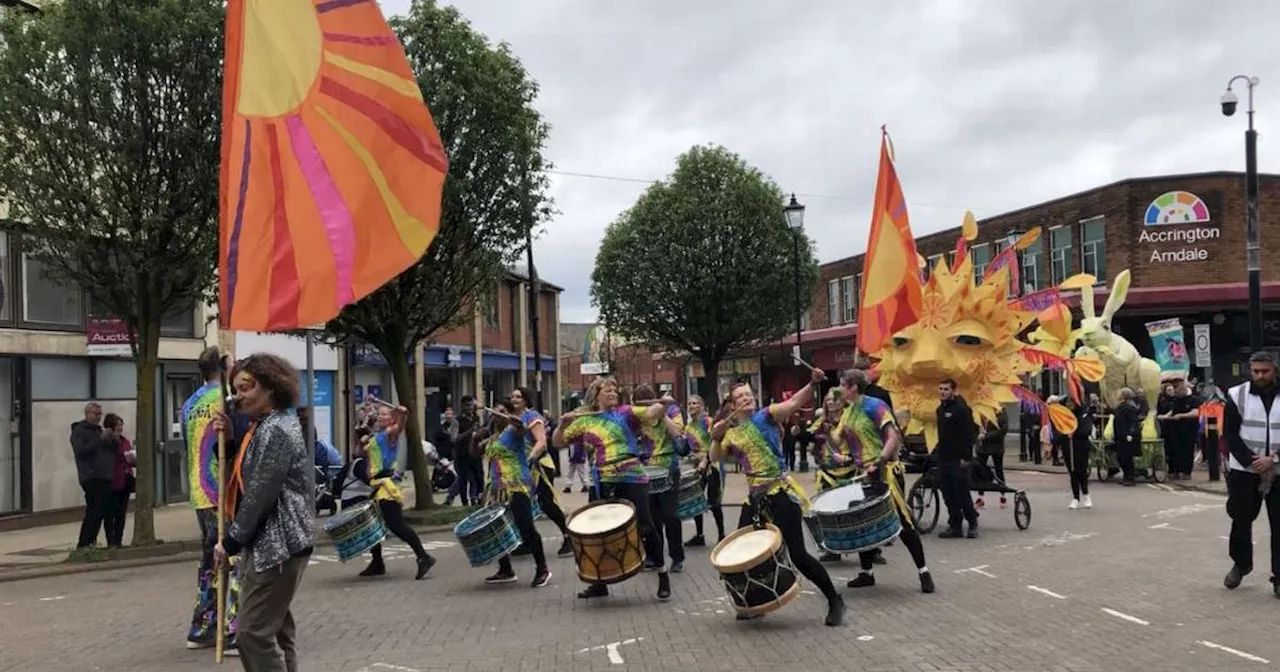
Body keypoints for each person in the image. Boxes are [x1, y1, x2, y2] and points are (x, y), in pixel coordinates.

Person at [712, 367, 845, 627]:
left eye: (749, 394)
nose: (747, 398)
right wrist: (716, 439)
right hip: (754, 499)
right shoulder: (730, 432)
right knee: (742, 554)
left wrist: (811, 383)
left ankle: (834, 600)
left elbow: (794, 403)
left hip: (780, 492)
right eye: (741, 396)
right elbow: (714, 458)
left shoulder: (767, 416)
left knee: (798, 554)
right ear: (732, 403)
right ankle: (755, 603)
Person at [212, 353, 315, 672]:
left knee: (253, 634)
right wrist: (228, 443)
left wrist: (230, 541)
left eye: (246, 387)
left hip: (278, 547)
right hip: (273, 544)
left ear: (271, 387)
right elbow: (247, 477)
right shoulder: (265, 426)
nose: (238, 395)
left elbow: (259, 495)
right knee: (277, 630)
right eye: (236, 388)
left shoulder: (277, 430)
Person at [552, 376, 674, 601]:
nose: (613, 393)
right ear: (595, 394)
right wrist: (562, 424)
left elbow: (649, 413)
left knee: (646, 526)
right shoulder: (585, 419)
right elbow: (558, 442)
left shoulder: (626, 412)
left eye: (615, 389)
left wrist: (664, 403)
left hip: (631, 476)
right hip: (602, 478)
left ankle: (662, 573)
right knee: (595, 532)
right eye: (608, 390)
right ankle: (599, 584)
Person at [832, 369, 935, 594]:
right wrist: (837, 450)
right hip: (862, 473)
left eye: (842, 385)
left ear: (853, 387)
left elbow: (892, 437)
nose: (840, 389)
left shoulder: (874, 406)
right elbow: (839, 440)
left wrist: (879, 461)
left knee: (901, 522)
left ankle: (923, 572)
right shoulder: (849, 412)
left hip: (884, 471)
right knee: (863, 522)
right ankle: (867, 573)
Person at [183, 348, 243, 653]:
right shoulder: (226, 400)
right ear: (225, 367)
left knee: (210, 560)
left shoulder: (189, 403)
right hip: (221, 489)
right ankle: (233, 631)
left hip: (198, 490)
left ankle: (202, 627)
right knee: (234, 556)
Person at [340, 403, 437, 580]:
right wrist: (362, 442)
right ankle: (378, 562)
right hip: (376, 486)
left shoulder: (389, 434)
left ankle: (424, 556)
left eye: (384, 415)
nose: (380, 417)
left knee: (396, 524)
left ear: (391, 419)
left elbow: (400, 427)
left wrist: (403, 415)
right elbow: (359, 454)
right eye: (379, 415)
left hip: (387, 486)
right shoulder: (376, 436)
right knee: (373, 524)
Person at [1222, 351, 1280, 595]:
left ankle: (1278, 577)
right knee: (1241, 519)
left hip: (1278, 469)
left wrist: (1273, 460)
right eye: (1255, 371)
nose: (1260, 376)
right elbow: (1231, 434)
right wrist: (1252, 461)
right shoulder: (1237, 395)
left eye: (1265, 371)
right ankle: (1241, 564)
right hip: (1244, 469)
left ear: (1275, 370)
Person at [477, 400, 552, 587]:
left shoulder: (514, 431)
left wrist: (515, 420)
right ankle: (505, 569)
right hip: (496, 489)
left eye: (502, 411)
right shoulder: (494, 438)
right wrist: (474, 439)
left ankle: (542, 569)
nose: (497, 414)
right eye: (495, 411)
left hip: (516, 486)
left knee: (526, 527)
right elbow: (476, 452)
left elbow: (523, 428)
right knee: (497, 530)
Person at [508, 387, 574, 558]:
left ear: (525, 399)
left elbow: (541, 442)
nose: (514, 399)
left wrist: (531, 458)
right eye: (512, 396)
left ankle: (569, 536)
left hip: (539, 466)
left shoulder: (532, 417)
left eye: (518, 396)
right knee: (522, 504)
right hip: (520, 467)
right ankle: (527, 541)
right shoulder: (512, 419)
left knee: (546, 502)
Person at [633, 384, 688, 572]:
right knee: (650, 517)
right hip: (645, 471)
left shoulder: (671, 410)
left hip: (668, 468)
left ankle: (677, 557)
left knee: (670, 515)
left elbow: (678, 433)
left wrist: (662, 412)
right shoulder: (638, 415)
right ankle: (654, 557)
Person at [934, 379, 979, 539]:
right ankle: (955, 525)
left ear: (953, 391)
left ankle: (972, 522)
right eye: (940, 389)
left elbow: (969, 434)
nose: (942, 392)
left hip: (958, 459)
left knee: (961, 492)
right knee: (948, 493)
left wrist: (966, 457)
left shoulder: (961, 409)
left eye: (946, 389)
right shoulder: (940, 410)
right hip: (944, 458)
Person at [810, 387, 850, 563]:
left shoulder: (849, 419)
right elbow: (809, 435)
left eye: (835, 399)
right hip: (827, 471)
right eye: (828, 400)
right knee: (828, 512)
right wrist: (798, 432)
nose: (831, 403)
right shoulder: (821, 421)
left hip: (849, 470)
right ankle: (833, 549)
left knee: (851, 512)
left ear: (842, 401)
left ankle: (871, 550)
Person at [684, 394, 724, 546]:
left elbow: (715, 441)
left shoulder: (707, 422)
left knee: (714, 502)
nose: (691, 406)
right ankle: (699, 535)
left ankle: (721, 534)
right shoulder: (688, 428)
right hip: (697, 468)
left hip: (711, 465)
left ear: (701, 406)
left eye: (695, 403)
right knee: (696, 501)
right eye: (689, 404)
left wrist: (705, 459)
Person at [72, 402, 112, 549]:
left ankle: (91, 540)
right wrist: (100, 439)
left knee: (100, 509)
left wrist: (112, 438)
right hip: (90, 476)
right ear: (87, 413)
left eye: (100, 414)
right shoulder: (80, 431)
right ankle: (84, 542)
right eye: (95, 414)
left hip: (103, 475)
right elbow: (81, 451)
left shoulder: (98, 430)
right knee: (94, 509)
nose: (98, 417)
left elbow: (108, 451)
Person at [102, 413, 135, 548]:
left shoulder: (124, 441)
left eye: (121, 426)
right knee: (110, 513)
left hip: (125, 478)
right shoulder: (107, 441)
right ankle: (111, 541)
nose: (120, 429)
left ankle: (118, 540)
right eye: (118, 426)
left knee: (121, 513)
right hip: (112, 479)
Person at [1160, 378, 1202, 480]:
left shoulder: (1194, 400)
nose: (1175, 392)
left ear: (1184, 389)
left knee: (1187, 451)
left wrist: (1181, 416)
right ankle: (1175, 471)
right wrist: (1165, 416)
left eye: (1177, 390)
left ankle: (1186, 472)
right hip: (1175, 430)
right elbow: (1172, 411)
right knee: (1174, 451)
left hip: (1188, 430)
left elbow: (1196, 412)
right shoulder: (1176, 400)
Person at [1062, 396, 1095, 510]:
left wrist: (1074, 433)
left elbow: (1087, 430)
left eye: (1071, 403)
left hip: (1081, 447)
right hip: (1068, 447)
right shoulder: (1064, 416)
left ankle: (1086, 495)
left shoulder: (1083, 415)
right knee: (1072, 472)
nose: (1069, 405)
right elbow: (1058, 430)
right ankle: (1075, 497)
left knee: (1082, 471)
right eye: (1067, 403)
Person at [975, 407, 1009, 509]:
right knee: (980, 471)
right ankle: (980, 498)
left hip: (996, 446)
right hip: (982, 447)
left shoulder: (1000, 410)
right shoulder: (979, 409)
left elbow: (1003, 429)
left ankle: (1003, 496)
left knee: (999, 471)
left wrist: (987, 435)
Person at [1113, 388, 1142, 486]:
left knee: (1127, 457)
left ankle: (1130, 477)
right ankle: (1126, 476)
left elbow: (1133, 423)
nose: (1117, 395)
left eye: (1119, 394)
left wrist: (1130, 434)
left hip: (1128, 436)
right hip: (1120, 435)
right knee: (1121, 457)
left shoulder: (1129, 408)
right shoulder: (1120, 407)